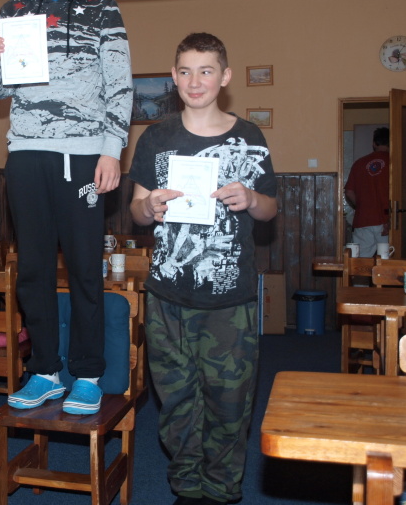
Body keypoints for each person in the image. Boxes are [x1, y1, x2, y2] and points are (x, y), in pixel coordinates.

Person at [0, 0, 132, 415]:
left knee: (85, 269)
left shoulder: (102, 6)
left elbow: (120, 84)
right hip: (26, 154)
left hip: (84, 156)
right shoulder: (15, 10)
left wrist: (112, 149)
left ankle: (87, 374)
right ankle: (44, 371)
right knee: (33, 269)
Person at [128, 32, 277, 505]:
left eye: (206, 71)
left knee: (230, 403)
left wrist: (250, 198)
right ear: (174, 78)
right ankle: (188, 487)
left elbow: (271, 208)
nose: (196, 81)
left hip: (229, 301)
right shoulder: (156, 137)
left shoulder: (248, 136)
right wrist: (149, 206)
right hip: (167, 296)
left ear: (224, 77)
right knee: (175, 401)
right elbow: (136, 210)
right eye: (186, 72)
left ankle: (222, 489)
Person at [344, 126, 390, 257]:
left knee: (361, 262)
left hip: (363, 219)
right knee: (387, 261)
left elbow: (349, 192)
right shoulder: (395, 163)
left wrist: (362, 206)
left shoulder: (359, 163)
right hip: (386, 220)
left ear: (374, 143)